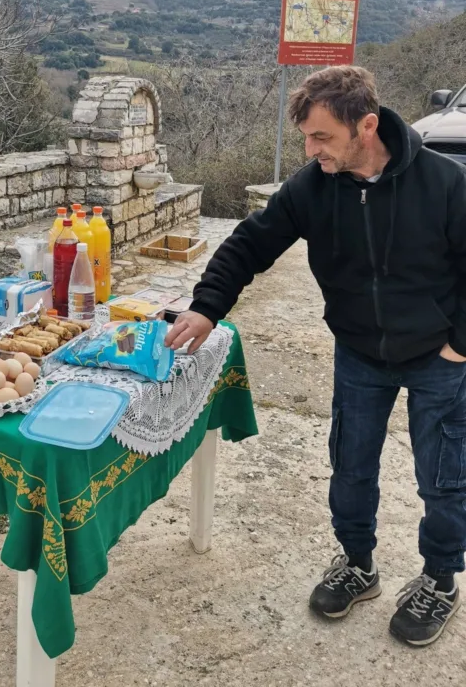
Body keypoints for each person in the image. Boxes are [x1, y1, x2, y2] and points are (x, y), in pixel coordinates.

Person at [167, 65, 466, 648]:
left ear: (367, 126)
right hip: (359, 354)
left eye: (322, 137)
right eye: (306, 138)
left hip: (439, 357)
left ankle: (439, 580)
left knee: (444, 480)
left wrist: (460, 344)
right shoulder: (313, 186)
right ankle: (357, 564)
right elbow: (249, 243)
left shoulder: (446, 183)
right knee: (350, 467)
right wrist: (207, 308)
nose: (311, 151)